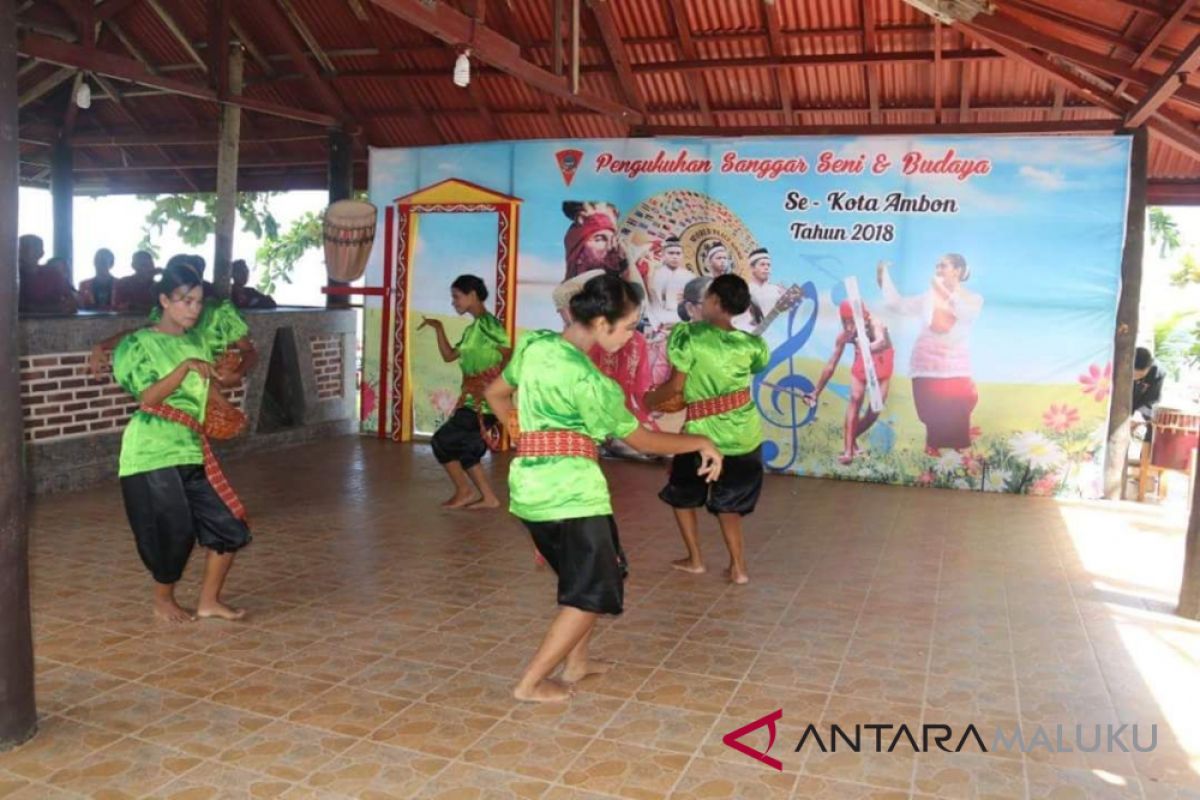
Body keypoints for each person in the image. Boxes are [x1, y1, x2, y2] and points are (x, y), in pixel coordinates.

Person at [484, 274, 724, 703]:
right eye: (629, 326)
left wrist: (522, 433)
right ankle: (531, 683)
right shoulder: (592, 383)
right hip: (571, 495)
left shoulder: (536, 347)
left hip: (530, 488)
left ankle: (575, 664)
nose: (632, 336)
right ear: (599, 322)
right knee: (592, 593)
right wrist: (700, 441)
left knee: (586, 577)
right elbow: (643, 442)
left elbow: (496, 394)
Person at [111, 260, 251, 623]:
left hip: (190, 445)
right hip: (151, 450)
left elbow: (203, 393)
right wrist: (184, 367)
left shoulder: (197, 343)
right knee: (173, 530)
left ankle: (208, 601)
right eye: (184, 300)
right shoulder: (140, 344)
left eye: (198, 301)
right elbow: (149, 397)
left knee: (228, 528)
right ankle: (163, 600)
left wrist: (226, 401)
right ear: (164, 301)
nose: (193, 309)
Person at [645, 274, 769, 585]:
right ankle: (738, 568)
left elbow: (676, 386)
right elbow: (751, 367)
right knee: (731, 505)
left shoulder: (689, 335)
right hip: (745, 436)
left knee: (683, 495)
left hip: (700, 437)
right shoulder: (754, 345)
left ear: (713, 301)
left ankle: (696, 560)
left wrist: (647, 400)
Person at [90, 254, 258, 382]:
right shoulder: (166, 310)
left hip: (207, 391)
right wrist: (102, 345)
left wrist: (236, 374)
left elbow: (250, 352)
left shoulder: (218, 312)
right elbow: (141, 335)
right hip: (173, 390)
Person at [419, 275, 510, 509]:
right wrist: (438, 328)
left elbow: (509, 354)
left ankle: (465, 491)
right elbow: (449, 356)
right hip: (471, 399)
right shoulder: (473, 330)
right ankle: (488, 498)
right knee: (466, 449)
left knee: (442, 441)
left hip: (484, 402)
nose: (454, 302)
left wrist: (501, 387)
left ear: (472, 295)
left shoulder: (489, 325)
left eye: (456, 296)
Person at [878, 255, 983, 455]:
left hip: (956, 366)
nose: (938, 269)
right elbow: (897, 304)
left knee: (962, 404)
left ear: (958, 271)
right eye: (937, 266)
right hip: (926, 363)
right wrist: (883, 276)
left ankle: (959, 450)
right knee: (929, 410)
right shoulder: (928, 297)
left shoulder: (973, 298)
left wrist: (942, 290)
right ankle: (932, 451)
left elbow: (965, 313)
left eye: (943, 265)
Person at [806, 300, 895, 465]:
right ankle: (848, 451)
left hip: (882, 363)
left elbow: (881, 341)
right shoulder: (846, 334)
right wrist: (816, 392)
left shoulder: (875, 323)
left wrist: (867, 346)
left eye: (852, 321)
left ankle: (852, 440)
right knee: (855, 397)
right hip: (862, 363)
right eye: (845, 321)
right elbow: (831, 364)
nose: (849, 325)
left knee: (875, 410)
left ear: (863, 317)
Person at [18, 234, 77, 314]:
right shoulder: (7, 277)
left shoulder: (53, 274)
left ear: (41, 253)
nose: (27, 252)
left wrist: (35, 309)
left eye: (33, 248)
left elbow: (72, 304)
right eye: (23, 248)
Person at [648, 237, 693, 328]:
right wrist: (657, 324)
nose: (675, 257)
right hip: (655, 323)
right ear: (663, 255)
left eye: (678, 253)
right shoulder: (654, 274)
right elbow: (650, 301)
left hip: (682, 323)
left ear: (682, 255)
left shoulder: (690, 277)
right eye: (671, 253)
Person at [1133, 347, 1166, 442]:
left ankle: (1146, 454)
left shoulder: (1158, 372)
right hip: (1124, 402)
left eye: (1139, 376)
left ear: (1149, 367)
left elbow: (1152, 398)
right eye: (1133, 375)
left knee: (1151, 428)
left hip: (1144, 404)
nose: (1135, 378)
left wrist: (1139, 414)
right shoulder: (1120, 364)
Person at [747, 248, 784, 317]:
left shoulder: (777, 291)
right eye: (762, 264)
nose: (766, 268)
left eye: (768, 265)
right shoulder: (744, 291)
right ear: (752, 268)